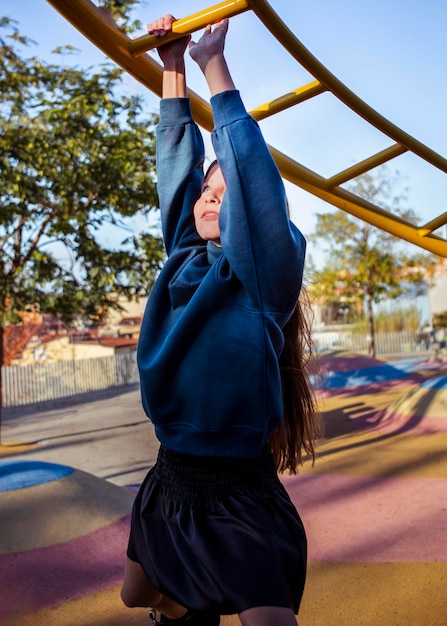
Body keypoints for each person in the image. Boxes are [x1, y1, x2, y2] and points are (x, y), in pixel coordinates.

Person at [120, 14, 322, 626]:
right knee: (138, 595)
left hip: (238, 493)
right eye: (208, 192)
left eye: (224, 193)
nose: (211, 197)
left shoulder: (261, 280)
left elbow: (254, 182)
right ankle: (178, 606)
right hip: (170, 476)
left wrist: (214, 65)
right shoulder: (182, 258)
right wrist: (173, 63)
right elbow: (177, 168)